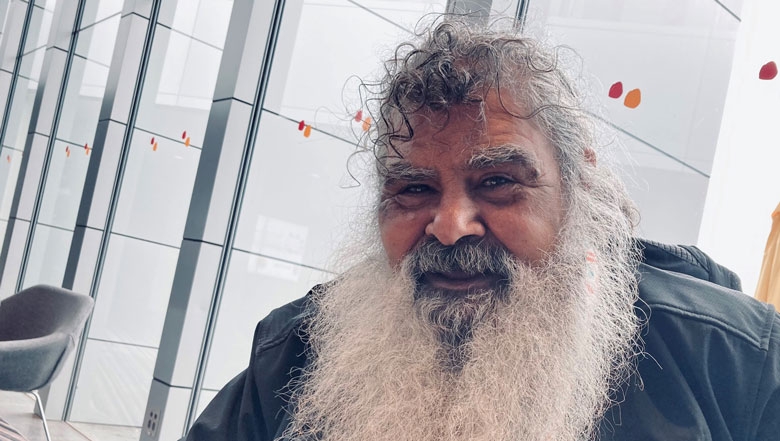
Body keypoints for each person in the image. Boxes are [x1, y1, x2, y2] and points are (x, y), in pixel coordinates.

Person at [184, 19, 780, 441]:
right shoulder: (292, 355)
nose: (449, 226)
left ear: (577, 188)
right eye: (413, 190)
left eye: (497, 182)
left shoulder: (734, 362)